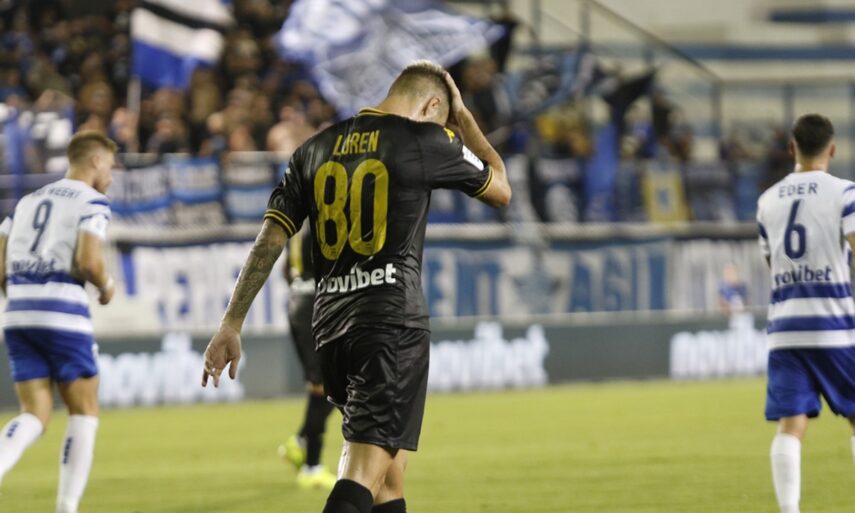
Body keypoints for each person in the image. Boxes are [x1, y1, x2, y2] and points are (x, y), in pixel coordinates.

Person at [202, 61, 511, 513]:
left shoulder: (312, 149)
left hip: (331, 328)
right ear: (431, 106)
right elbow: (500, 188)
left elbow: (269, 239)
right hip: (390, 325)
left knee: (389, 480)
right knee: (362, 475)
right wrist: (463, 120)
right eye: (442, 118)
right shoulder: (423, 140)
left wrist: (232, 322)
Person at [0, 130, 117, 513]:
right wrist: (106, 286)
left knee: (34, 413)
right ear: (95, 161)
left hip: (18, 314)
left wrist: (21, 298)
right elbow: (89, 261)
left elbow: (0, 264)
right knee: (84, 410)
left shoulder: (26, 202)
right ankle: (66, 508)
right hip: (63, 312)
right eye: (110, 166)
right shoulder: (92, 201)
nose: (110, 176)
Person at [756, 114, 855, 513]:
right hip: (835, 326)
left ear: (791, 148)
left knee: (791, 426)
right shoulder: (845, 193)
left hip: (785, 330)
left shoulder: (767, 200)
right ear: (832, 149)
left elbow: (772, 265)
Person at [278, 225, 337, 490]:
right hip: (314, 305)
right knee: (322, 387)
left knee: (336, 385)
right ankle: (311, 467)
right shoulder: (321, 219)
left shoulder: (296, 226)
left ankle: (301, 441)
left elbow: (285, 269)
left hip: (298, 302)